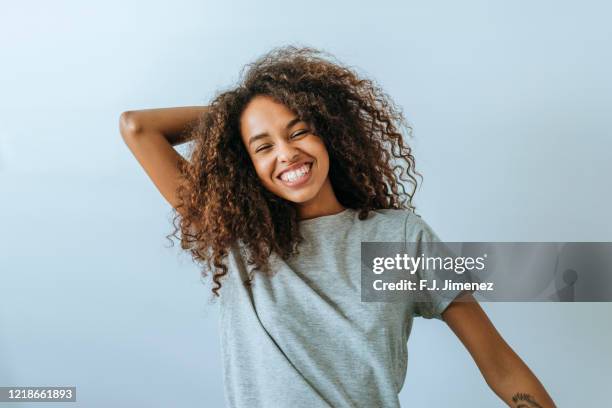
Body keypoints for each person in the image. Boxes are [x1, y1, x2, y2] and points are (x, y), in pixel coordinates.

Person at [119, 46, 555, 408]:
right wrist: (236, 114)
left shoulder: (397, 238)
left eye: (299, 131)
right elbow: (138, 127)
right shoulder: (241, 239)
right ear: (245, 164)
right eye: (263, 145)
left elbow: (498, 364)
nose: (286, 153)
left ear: (329, 133)